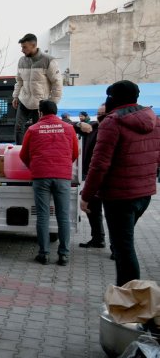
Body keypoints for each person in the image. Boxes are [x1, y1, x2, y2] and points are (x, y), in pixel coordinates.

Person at [81, 80, 160, 286]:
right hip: (144, 194)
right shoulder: (154, 120)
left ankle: (129, 301)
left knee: (124, 249)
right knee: (124, 245)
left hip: (120, 196)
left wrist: (86, 195)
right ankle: (128, 297)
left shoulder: (112, 122)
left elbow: (99, 165)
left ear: (112, 99)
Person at [19, 100, 78, 266]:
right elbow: (74, 152)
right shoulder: (68, 128)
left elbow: (23, 154)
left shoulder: (33, 129)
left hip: (41, 176)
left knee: (43, 216)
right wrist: (63, 166)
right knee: (63, 217)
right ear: (56, 111)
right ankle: (64, 254)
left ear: (40, 112)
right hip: (62, 177)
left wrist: (35, 167)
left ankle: (43, 254)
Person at [12, 33, 63, 144]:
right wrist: (15, 96)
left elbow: (57, 83)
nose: (22, 50)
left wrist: (52, 103)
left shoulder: (49, 60)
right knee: (18, 128)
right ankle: (19, 151)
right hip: (24, 101)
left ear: (34, 45)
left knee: (39, 131)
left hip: (41, 104)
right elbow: (19, 81)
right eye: (21, 47)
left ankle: (38, 151)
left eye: (24, 47)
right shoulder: (22, 61)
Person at [75, 104, 106, 250]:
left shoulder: (116, 128)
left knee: (115, 217)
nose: (100, 116)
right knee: (93, 210)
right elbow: (71, 126)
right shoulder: (93, 126)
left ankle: (117, 248)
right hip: (92, 174)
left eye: (103, 113)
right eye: (98, 113)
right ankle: (98, 238)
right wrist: (80, 123)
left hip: (111, 177)